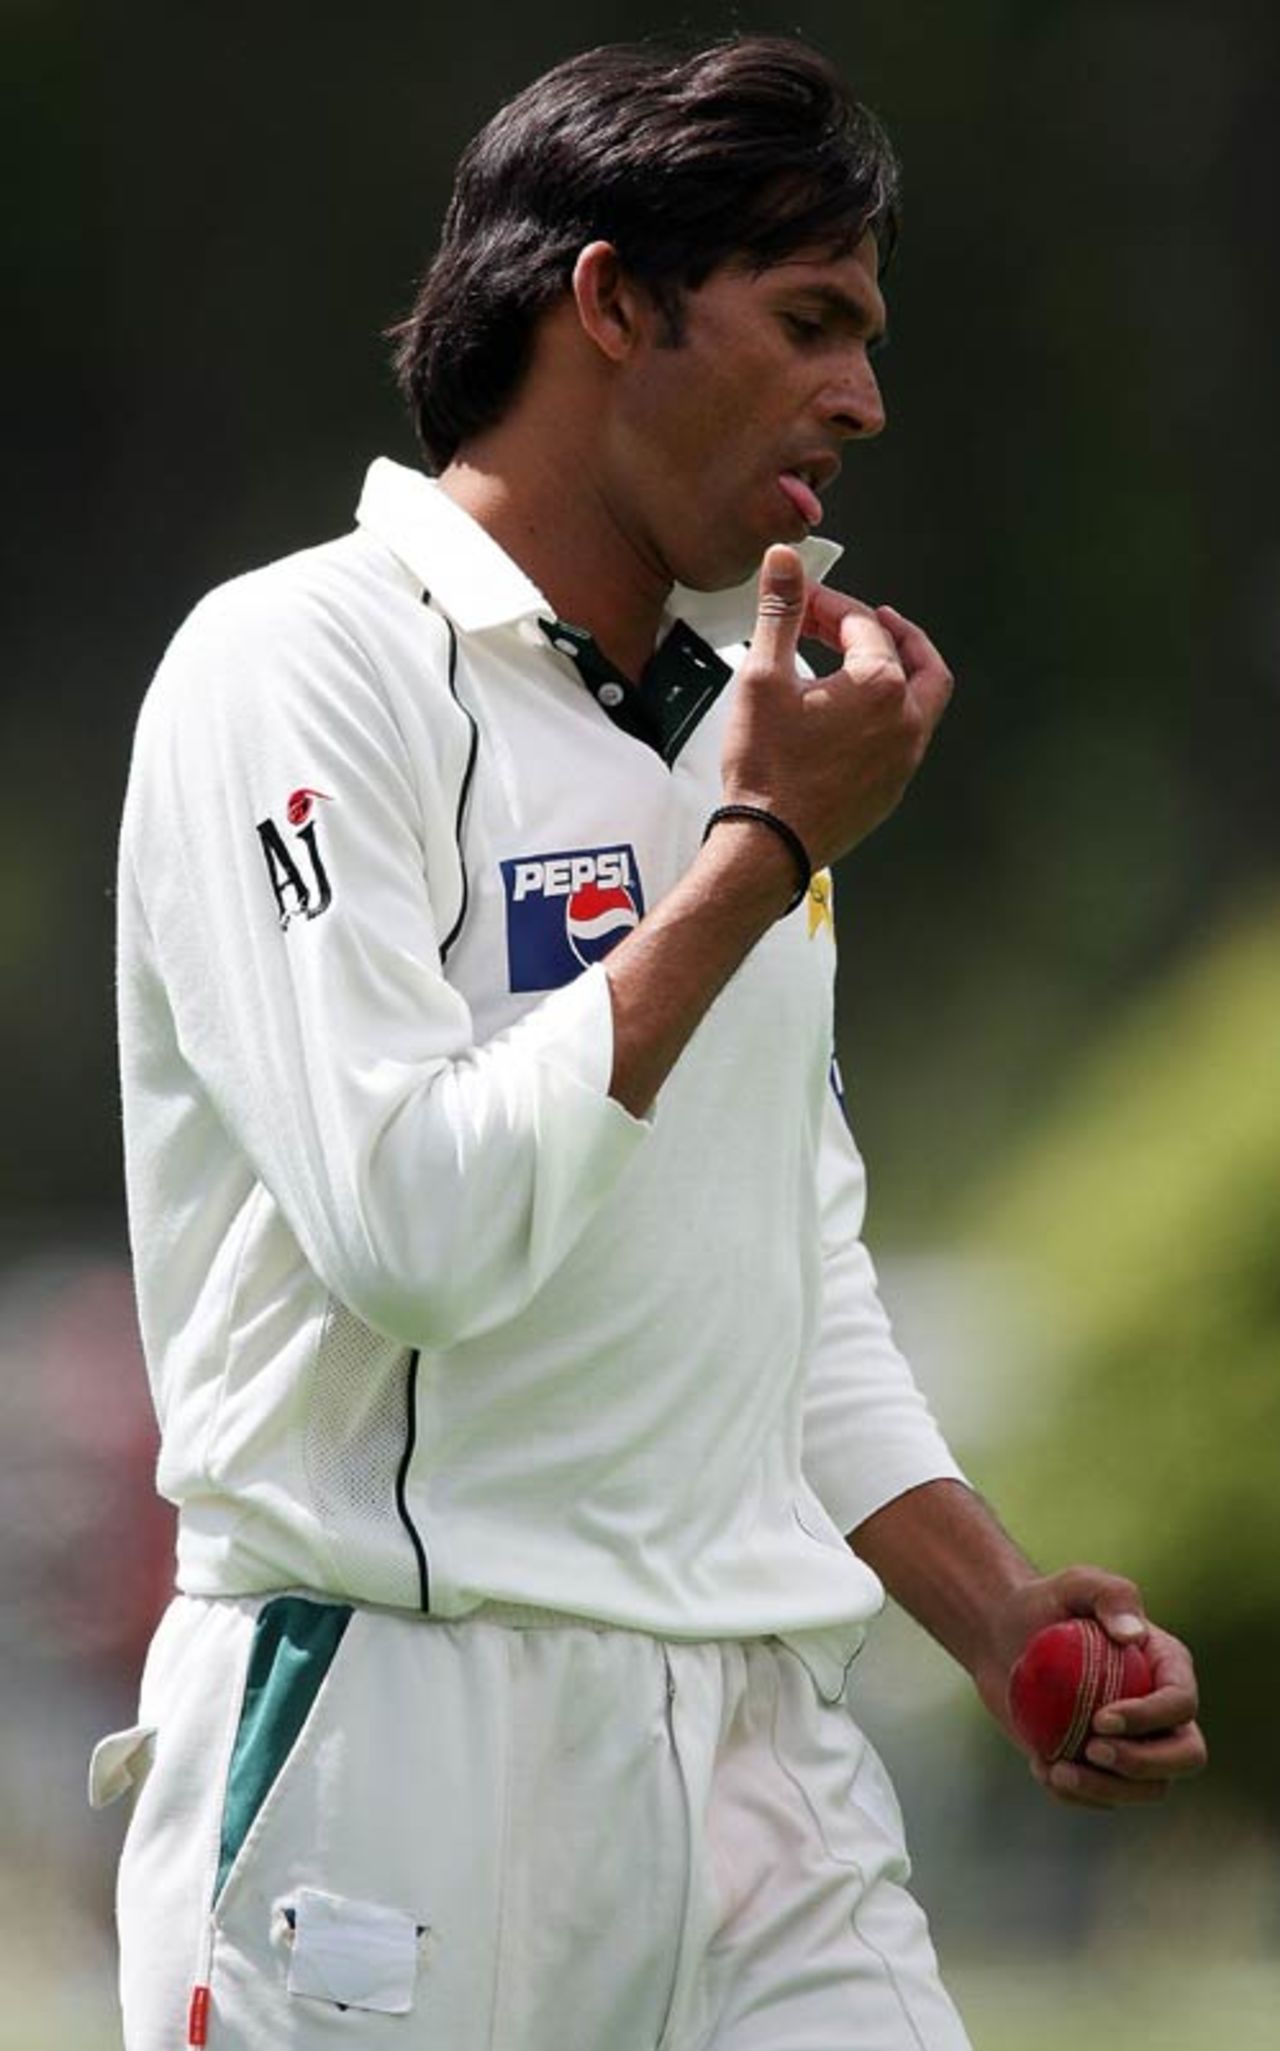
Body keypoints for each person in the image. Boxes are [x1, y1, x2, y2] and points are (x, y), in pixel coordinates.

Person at [98, 33, 1206, 2051]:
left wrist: (992, 1610)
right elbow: (412, 1229)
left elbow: (784, 1260)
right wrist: (764, 852)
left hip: (755, 1758)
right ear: (610, 302)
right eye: (810, 322)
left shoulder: (735, 718)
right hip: (394, 1734)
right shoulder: (295, 668)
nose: (863, 397)